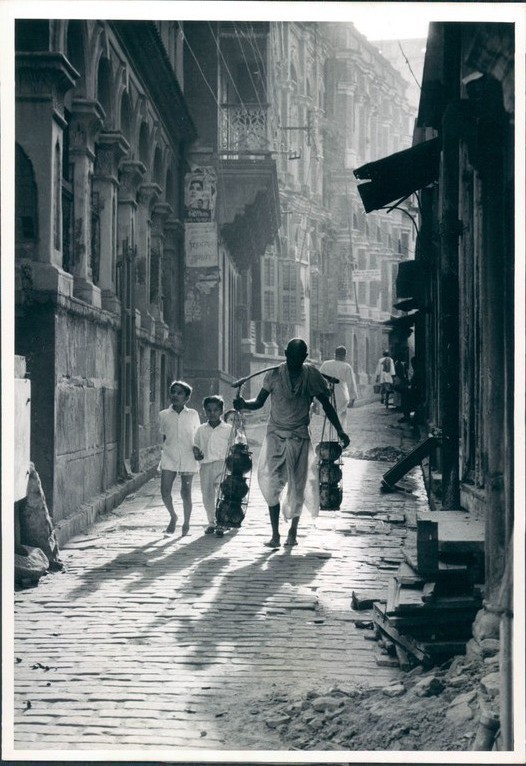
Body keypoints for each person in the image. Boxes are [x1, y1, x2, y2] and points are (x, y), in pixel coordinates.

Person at [233, 338, 350, 549]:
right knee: (270, 484)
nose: (294, 361)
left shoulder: (312, 375)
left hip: (299, 437)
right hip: (275, 435)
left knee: (298, 486)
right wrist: (243, 404)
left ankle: (293, 532)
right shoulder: (274, 375)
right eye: (290, 357)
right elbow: (258, 402)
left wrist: (340, 430)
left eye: (298, 358)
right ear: (285, 353)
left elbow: (326, 404)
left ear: (304, 357)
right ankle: (275, 534)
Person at [159, 380, 200, 536]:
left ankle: (186, 523)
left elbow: (197, 436)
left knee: (186, 492)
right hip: (169, 457)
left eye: (180, 393)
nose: (175, 395)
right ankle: (173, 516)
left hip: (188, 457)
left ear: (187, 398)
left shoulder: (193, 414)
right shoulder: (163, 415)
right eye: (173, 392)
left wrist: (197, 450)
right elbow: (164, 436)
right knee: (165, 492)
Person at [193, 395, 232, 534]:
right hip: (205, 466)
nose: (212, 413)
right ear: (204, 411)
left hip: (223, 465)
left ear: (221, 411)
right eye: (209, 410)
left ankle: (222, 522)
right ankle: (211, 522)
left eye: (216, 410)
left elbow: (238, 443)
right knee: (207, 495)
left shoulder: (229, 429)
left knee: (222, 494)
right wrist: (196, 452)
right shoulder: (201, 429)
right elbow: (195, 445)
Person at [320, 345, 359, 432]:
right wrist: (352, 398)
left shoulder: (326, 364)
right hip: (341, 395)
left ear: (335, 354)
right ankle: (340, 440)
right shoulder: (346, 366)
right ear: (345, 355)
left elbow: (318, 379)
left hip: (327, 394)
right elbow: (351, 384)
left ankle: (328, 440)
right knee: (341, 418)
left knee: (329, 418)